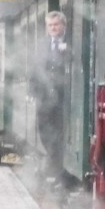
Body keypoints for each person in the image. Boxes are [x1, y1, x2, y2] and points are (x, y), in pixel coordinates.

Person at [30, 11, 70, 187]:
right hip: (44, 97)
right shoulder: (41, 45)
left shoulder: (71, 42)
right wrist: (31, 91)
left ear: (63, 26)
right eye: (50, 25)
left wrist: (67, 52)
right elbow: (35, 69)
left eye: (56, 25)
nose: (53, 28)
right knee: (44, 131)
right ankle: (52, 164)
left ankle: (56, 171)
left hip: (64, 98)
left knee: (60, 133)